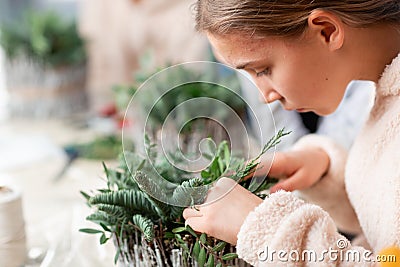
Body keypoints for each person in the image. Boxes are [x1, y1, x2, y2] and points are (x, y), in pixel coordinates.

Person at [183, 1, 400, 265]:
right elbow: (388, 234)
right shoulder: (385, 100)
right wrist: (327, 173)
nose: (265, 97)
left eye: (263, 70)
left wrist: (269, 232)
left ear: (327, 31)